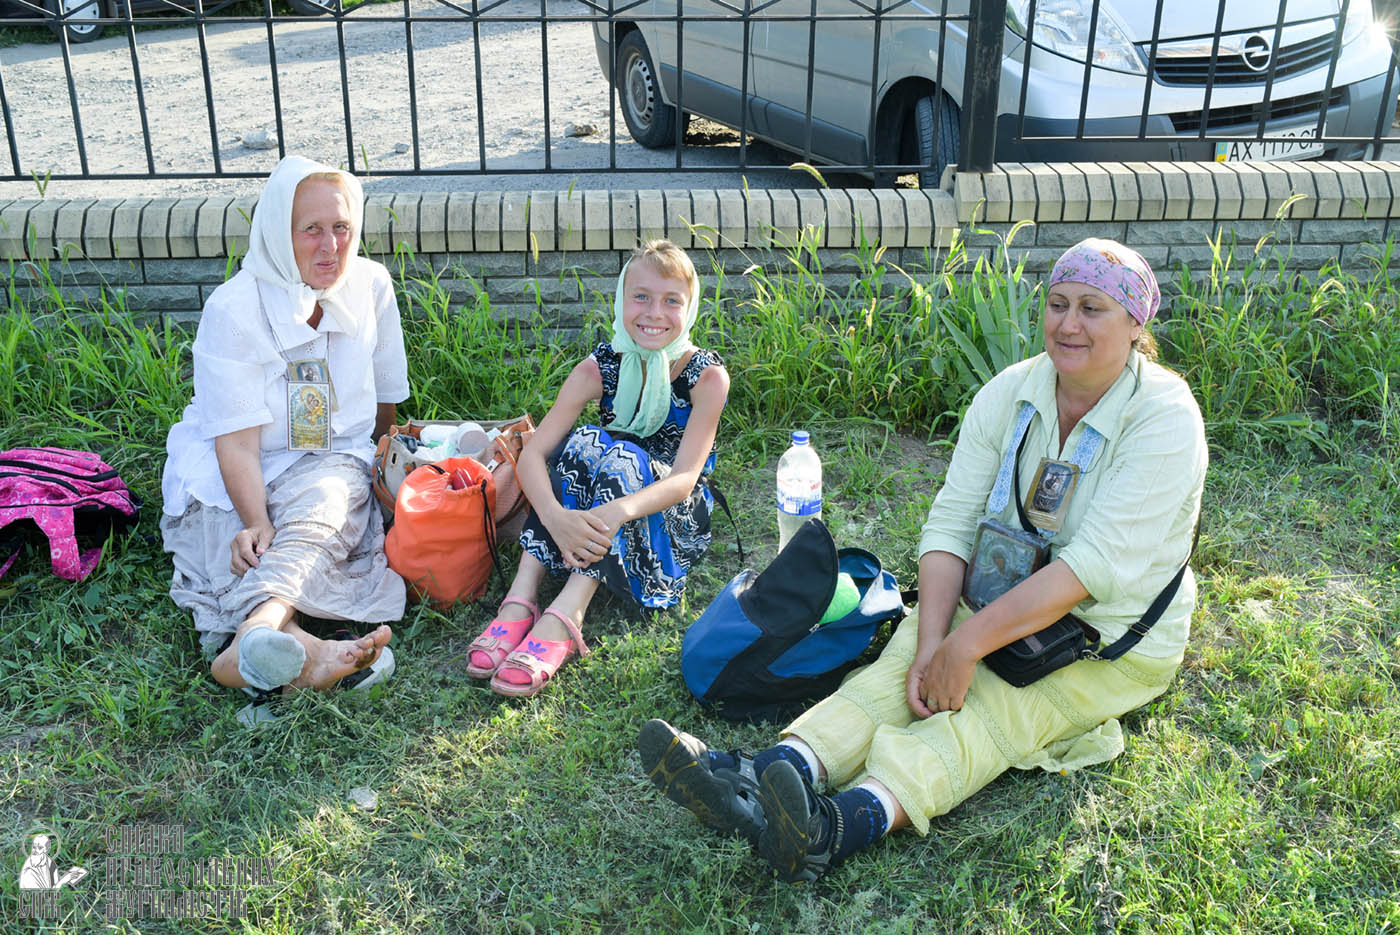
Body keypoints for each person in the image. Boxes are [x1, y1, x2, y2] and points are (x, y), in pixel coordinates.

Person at [639, 238, 1207, 883]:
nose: (1068, 324)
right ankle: (770, 773)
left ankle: (834, 827)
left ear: (1137, 324)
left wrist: (963, 652)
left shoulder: (1163, 416)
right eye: (1057, 304)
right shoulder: (1011, 391)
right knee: (894, 679)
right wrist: (934, 640)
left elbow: (1092, 570)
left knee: (993, 711)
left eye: (1093, 309)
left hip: (1105, 636)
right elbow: (953, 522)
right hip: (990, 596)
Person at [160, 155, 409, 698]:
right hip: (242, 462)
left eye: (342, 227)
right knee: (242, 537)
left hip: (329, 458)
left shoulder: (370, 285)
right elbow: (237, 444)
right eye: (311, 230)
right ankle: (298, 645)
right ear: (279, 232)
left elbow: (386, 395)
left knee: (324, 503)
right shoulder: (234, 308)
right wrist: (254, 518)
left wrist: (386, 461)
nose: (331, 247)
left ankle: (255, 638)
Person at [466, 240, 730, 698]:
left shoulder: (706, 377)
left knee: (624, 455)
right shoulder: (600, 366)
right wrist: (553, 515)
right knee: (586, 440)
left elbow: (686, 479)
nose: (654, 312)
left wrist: (618, 512)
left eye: (672, 300)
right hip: (600, 503)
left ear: (690, 308)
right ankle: (522, 596)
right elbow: (532, 454)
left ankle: (568, 611)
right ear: (621, 298)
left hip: (666, 515)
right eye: (641, 296)